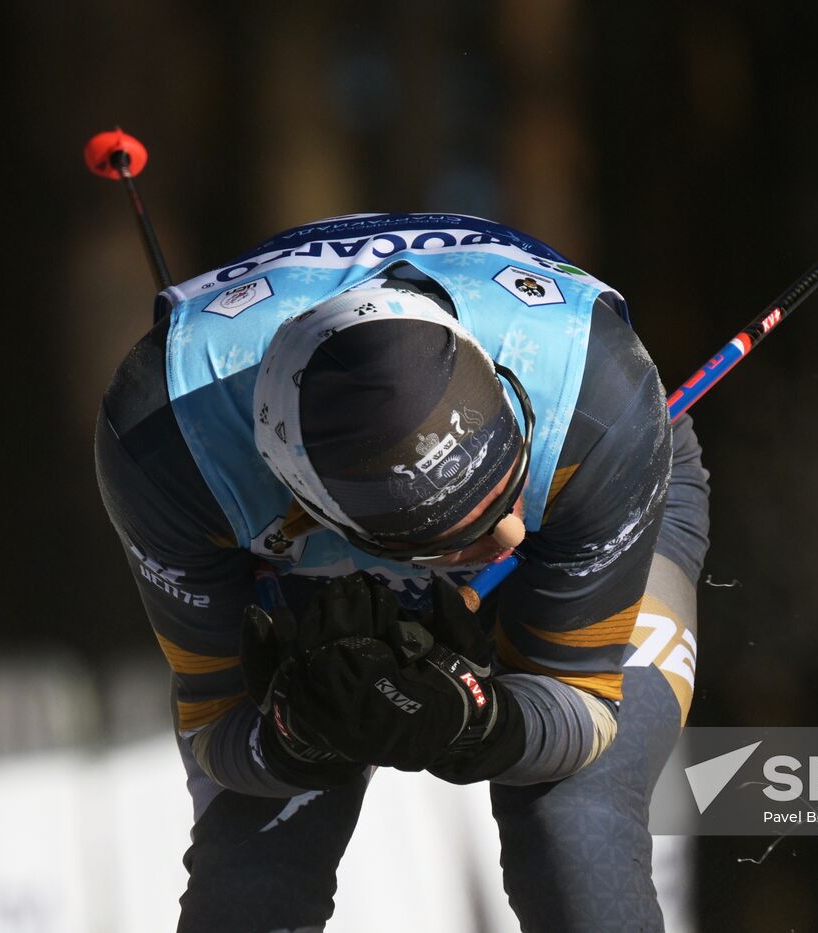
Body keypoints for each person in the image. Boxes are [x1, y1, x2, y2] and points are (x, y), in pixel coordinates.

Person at [95, 212, 710, 932]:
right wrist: (300, 734)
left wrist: (482, 724)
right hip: (284, 540)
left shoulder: (597, 401)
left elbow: (583, 711)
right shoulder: (166, 450)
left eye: (501, 492)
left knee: (573, 822)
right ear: (319, 511)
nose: (508, 530)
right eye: (460, 538)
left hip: (577, 483)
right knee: (254, 871)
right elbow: (217, 728)